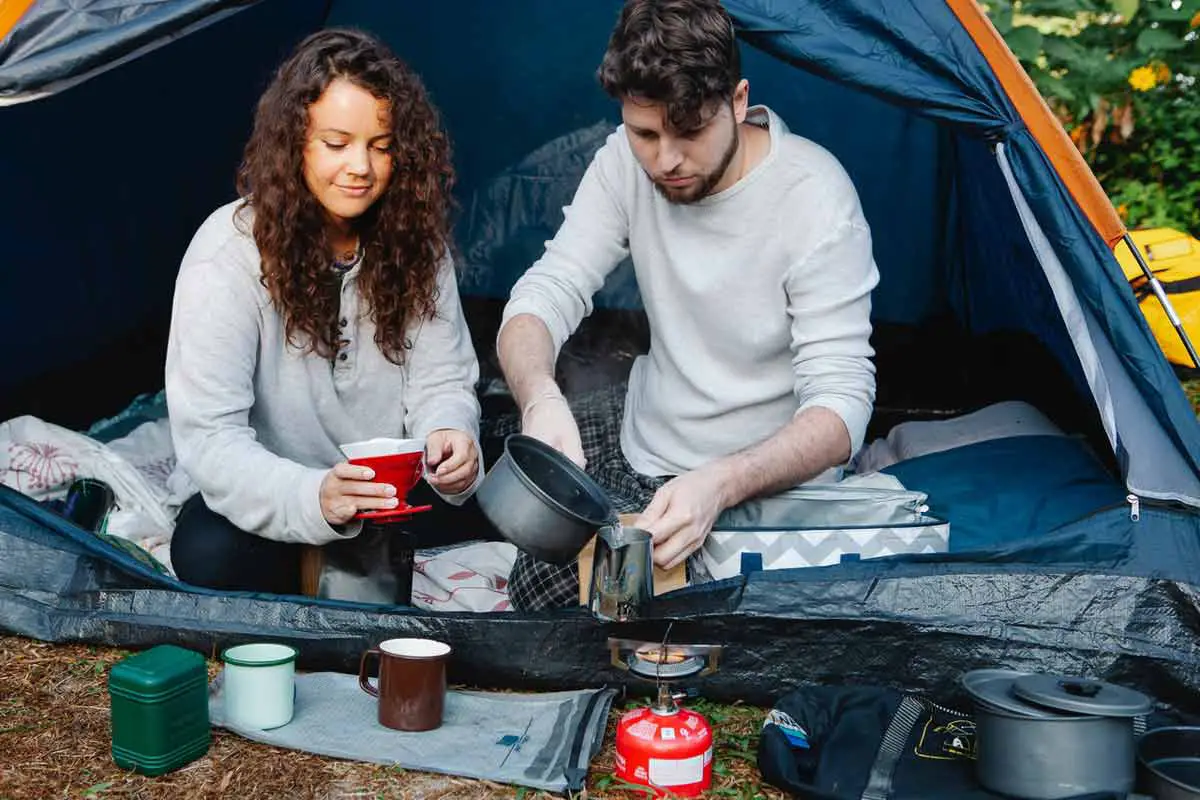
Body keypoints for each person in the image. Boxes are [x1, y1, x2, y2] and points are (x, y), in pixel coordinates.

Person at [498, 0, 879, 610]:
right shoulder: (623, 160)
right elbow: (545, 291)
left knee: (698, 617)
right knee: (541, 588)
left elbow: (842, 406)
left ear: (737, 100)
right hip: (648, 437)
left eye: (690, 132)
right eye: (645, 134)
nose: (665, 160)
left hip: (763, 473)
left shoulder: (814, 195)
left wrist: (721, 481)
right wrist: (540, 399)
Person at [165, 28, 484, 594]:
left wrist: (450, 434)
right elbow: (211, 441)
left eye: (381, 145)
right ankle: (329, 568)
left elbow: (443, 379)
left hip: (395, 500)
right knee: (204, 550)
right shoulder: (227, 255)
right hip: (286, 496)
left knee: (502, 485)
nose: (360, 167)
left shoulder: (418, 245)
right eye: (336, 144)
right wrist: (315, 497)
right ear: (295, 144)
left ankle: (362, 564)